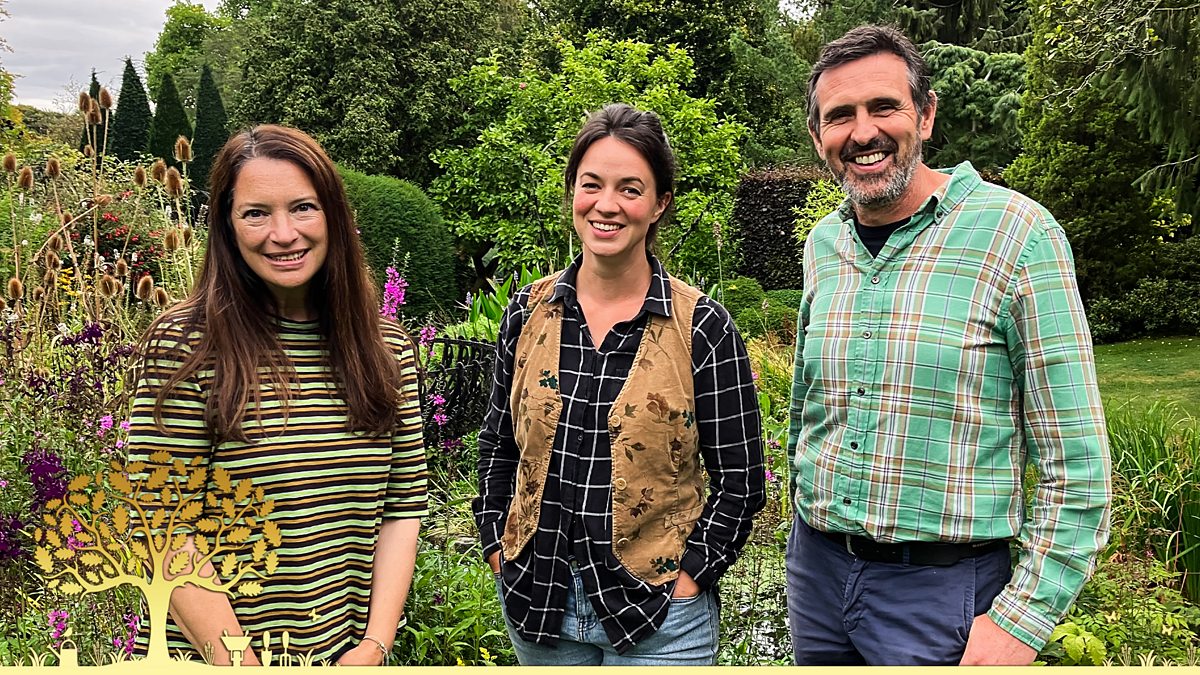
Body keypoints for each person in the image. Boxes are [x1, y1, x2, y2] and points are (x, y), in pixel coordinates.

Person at [786, 25, 1111, 666]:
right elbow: (806, 405)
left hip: (941, 596)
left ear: (926, 114)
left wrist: (1022, 621)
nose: (862, 132)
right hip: (817, 576)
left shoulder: (1018, 234)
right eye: (840, 116)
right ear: (819, 136)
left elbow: (1075, 459)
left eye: (884, 106)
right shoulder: (824, 244)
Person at [472, 103, 766, 665]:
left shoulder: (701, 327)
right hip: (538, 603)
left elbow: (742, 479)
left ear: (659, 204)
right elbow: (498, 443)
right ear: (573, 193)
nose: (606, 204)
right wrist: (495, 544)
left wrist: (692, 575)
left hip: (660, 619)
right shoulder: (528, 312)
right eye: (592, 185)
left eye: (630, 189)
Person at [127, 125, 427, 666]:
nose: (283, 234)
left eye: (303, 208)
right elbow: (162, 526)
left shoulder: (386, 349)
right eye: (255, 213)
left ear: (334, 216)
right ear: (227, 226)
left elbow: (400, 509)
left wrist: (373, 646)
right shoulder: (187, 346)